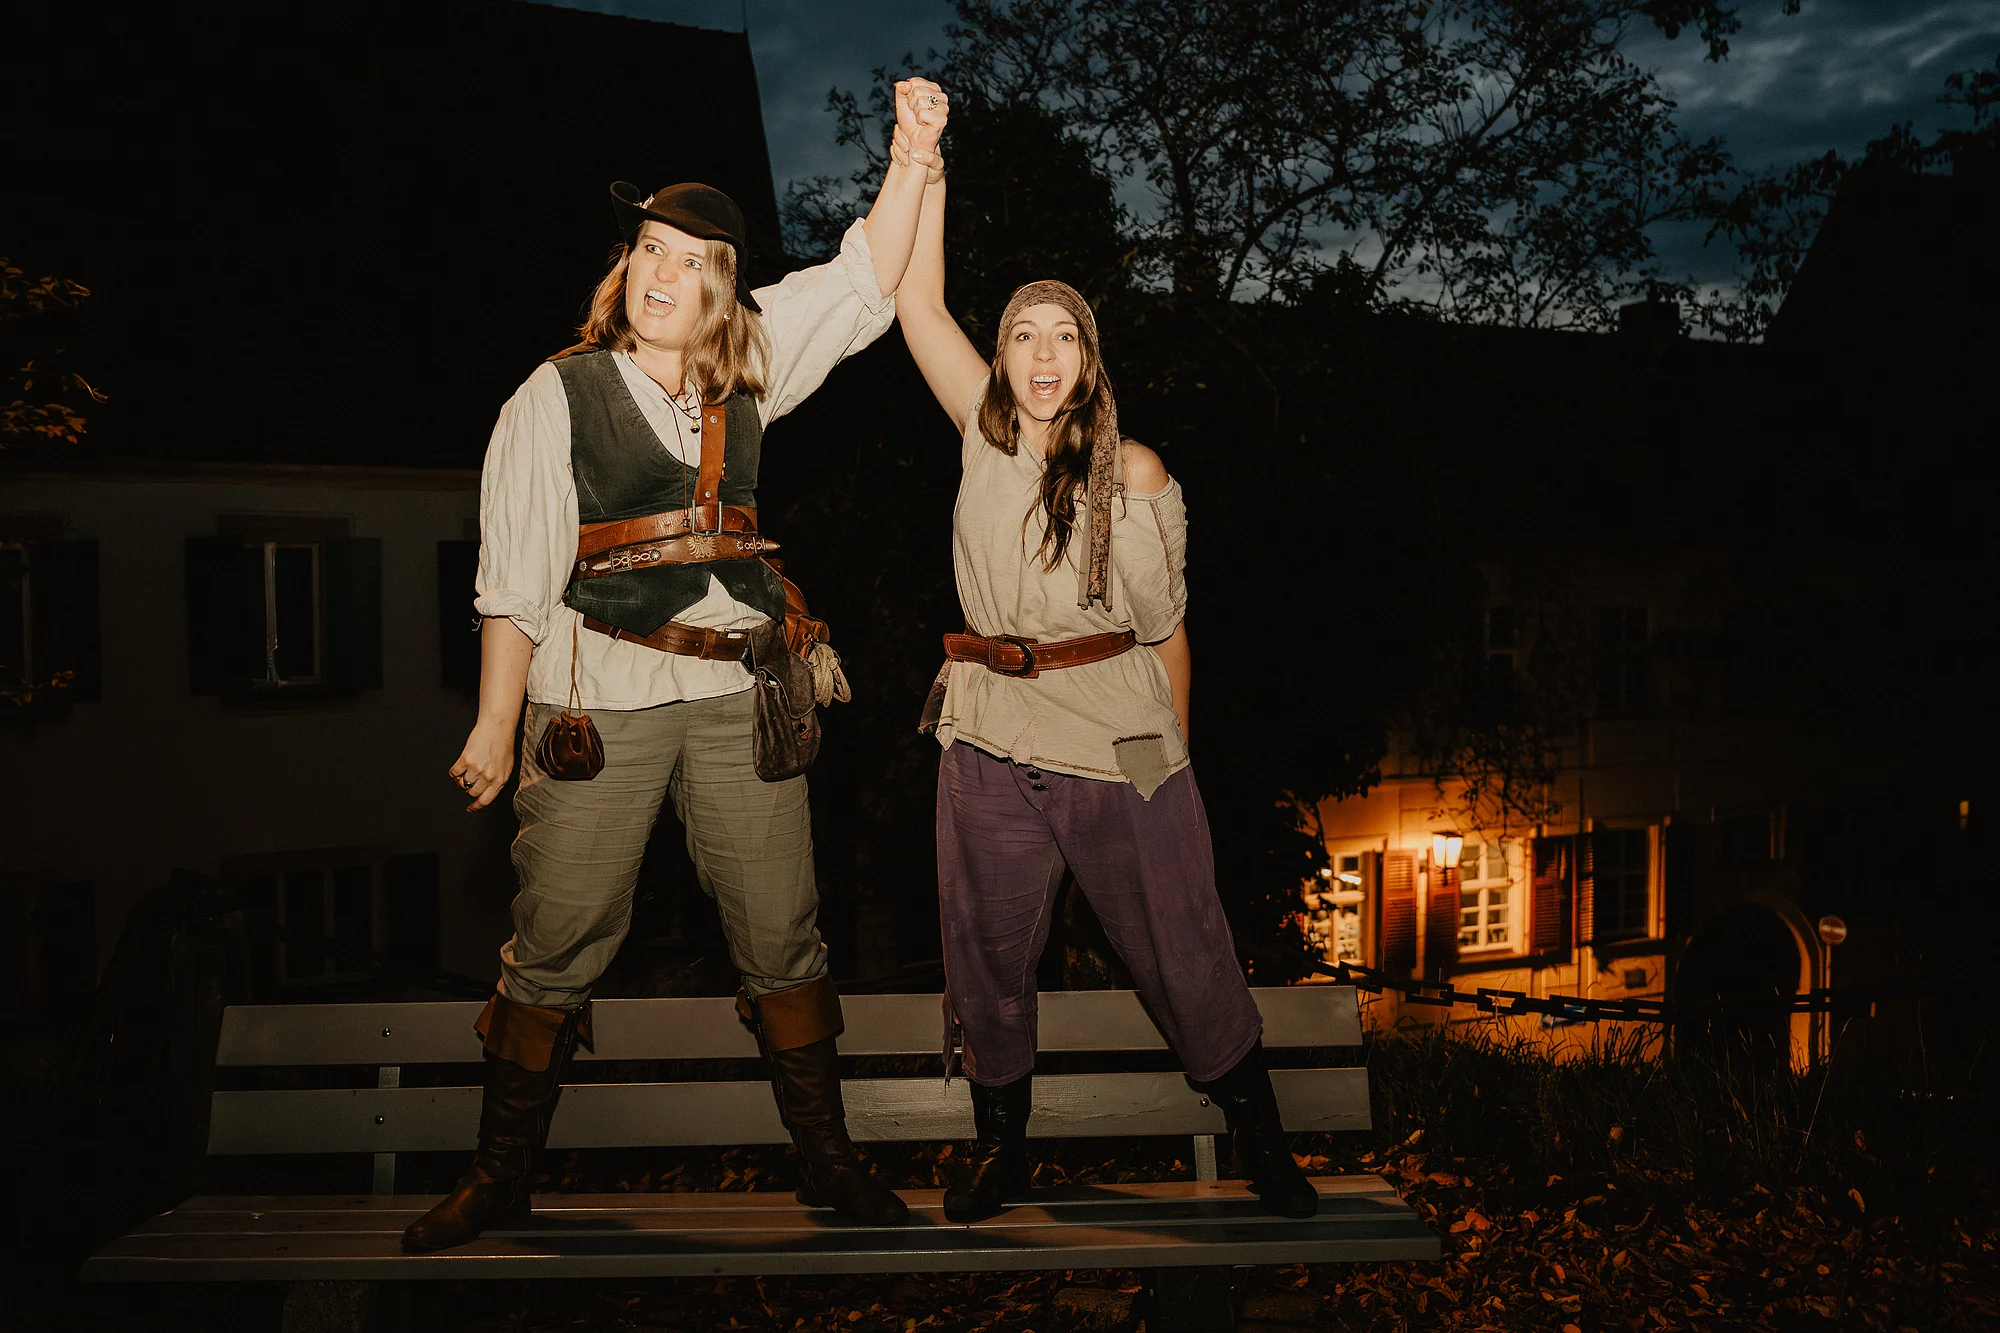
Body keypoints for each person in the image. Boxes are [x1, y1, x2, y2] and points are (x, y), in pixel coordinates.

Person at [403, 80, 951, 1253]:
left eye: (692, 260)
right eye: (648, 248)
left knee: (784, 933)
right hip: (594, 702)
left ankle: (828, 1161)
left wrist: (912, 155)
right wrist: (494, 723)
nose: (662, 272)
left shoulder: (748, 368)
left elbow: (865, 278)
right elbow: (512, 582)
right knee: (557, 936)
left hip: (737, 698)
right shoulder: (552, 396)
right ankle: (499, 1174)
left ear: (721, 287)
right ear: (624, 266)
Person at [891, 124, 1320, 1224]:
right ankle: (1000, 1150)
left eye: (1063, 337)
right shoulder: (982, 437)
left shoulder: (1134, 470)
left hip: (1116, 734)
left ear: (1088, 360)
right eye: (1021, 335)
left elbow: (1166, 631)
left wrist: (1178, 759)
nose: (1041, 355)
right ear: (1002, 356)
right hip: (988, 728)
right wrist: (922, 164)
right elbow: (916, 302)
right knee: (985, 948)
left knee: (1182, 942)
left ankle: (1263, 1141)